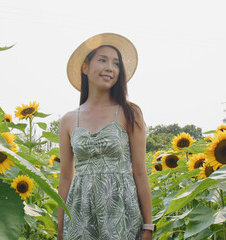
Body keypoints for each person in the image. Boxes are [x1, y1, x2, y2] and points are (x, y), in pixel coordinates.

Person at [57, 33, 154, 240]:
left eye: (116, 63)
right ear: (85, 67)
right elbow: (65, 177)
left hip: (121, 211)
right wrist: (60, 229)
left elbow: (139, 172)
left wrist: (148, 225)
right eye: (103, 60)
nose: (110, 67)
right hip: (80, 214)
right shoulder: (68, 120)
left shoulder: (130, 113)